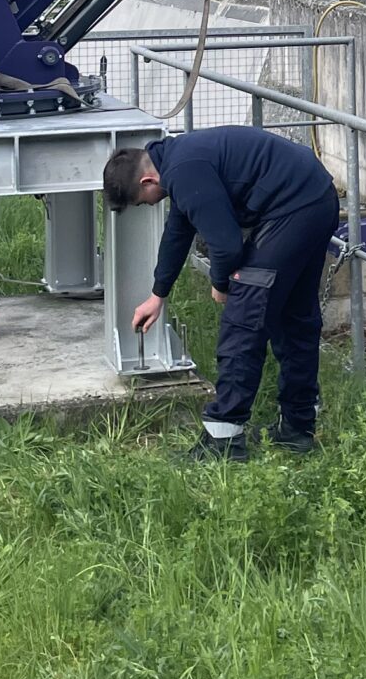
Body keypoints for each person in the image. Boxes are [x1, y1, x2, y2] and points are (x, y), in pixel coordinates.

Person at [103, 125, 341, 459]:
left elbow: (227, 245)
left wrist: (222, 283)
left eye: (142, 203)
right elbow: (179, 230)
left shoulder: (183, 170)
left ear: (147, 182)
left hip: (294, 207)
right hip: (315, 197)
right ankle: (297, 428)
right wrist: (158, 294)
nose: (148, 206)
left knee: (244, 321)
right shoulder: (177, 161)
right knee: (293, 318)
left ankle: (223, 440)